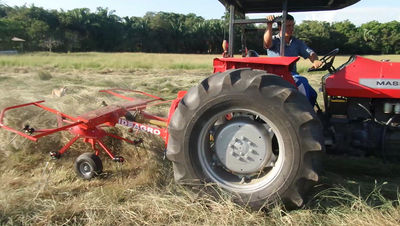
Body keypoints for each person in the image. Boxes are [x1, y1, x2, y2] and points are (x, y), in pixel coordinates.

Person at [263, 14, 322, 106]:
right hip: (278, 75)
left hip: (292, 75)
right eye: (288, 26)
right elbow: (267, 43)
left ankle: (312, 112)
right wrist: (269, 25)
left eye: (293, 25)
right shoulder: (274, 40)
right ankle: (304, 115)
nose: (292, 28)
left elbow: (310, 53)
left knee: (313, 94)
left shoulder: (296, 42)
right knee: (302, 82)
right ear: (279, 27)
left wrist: (315, 60)